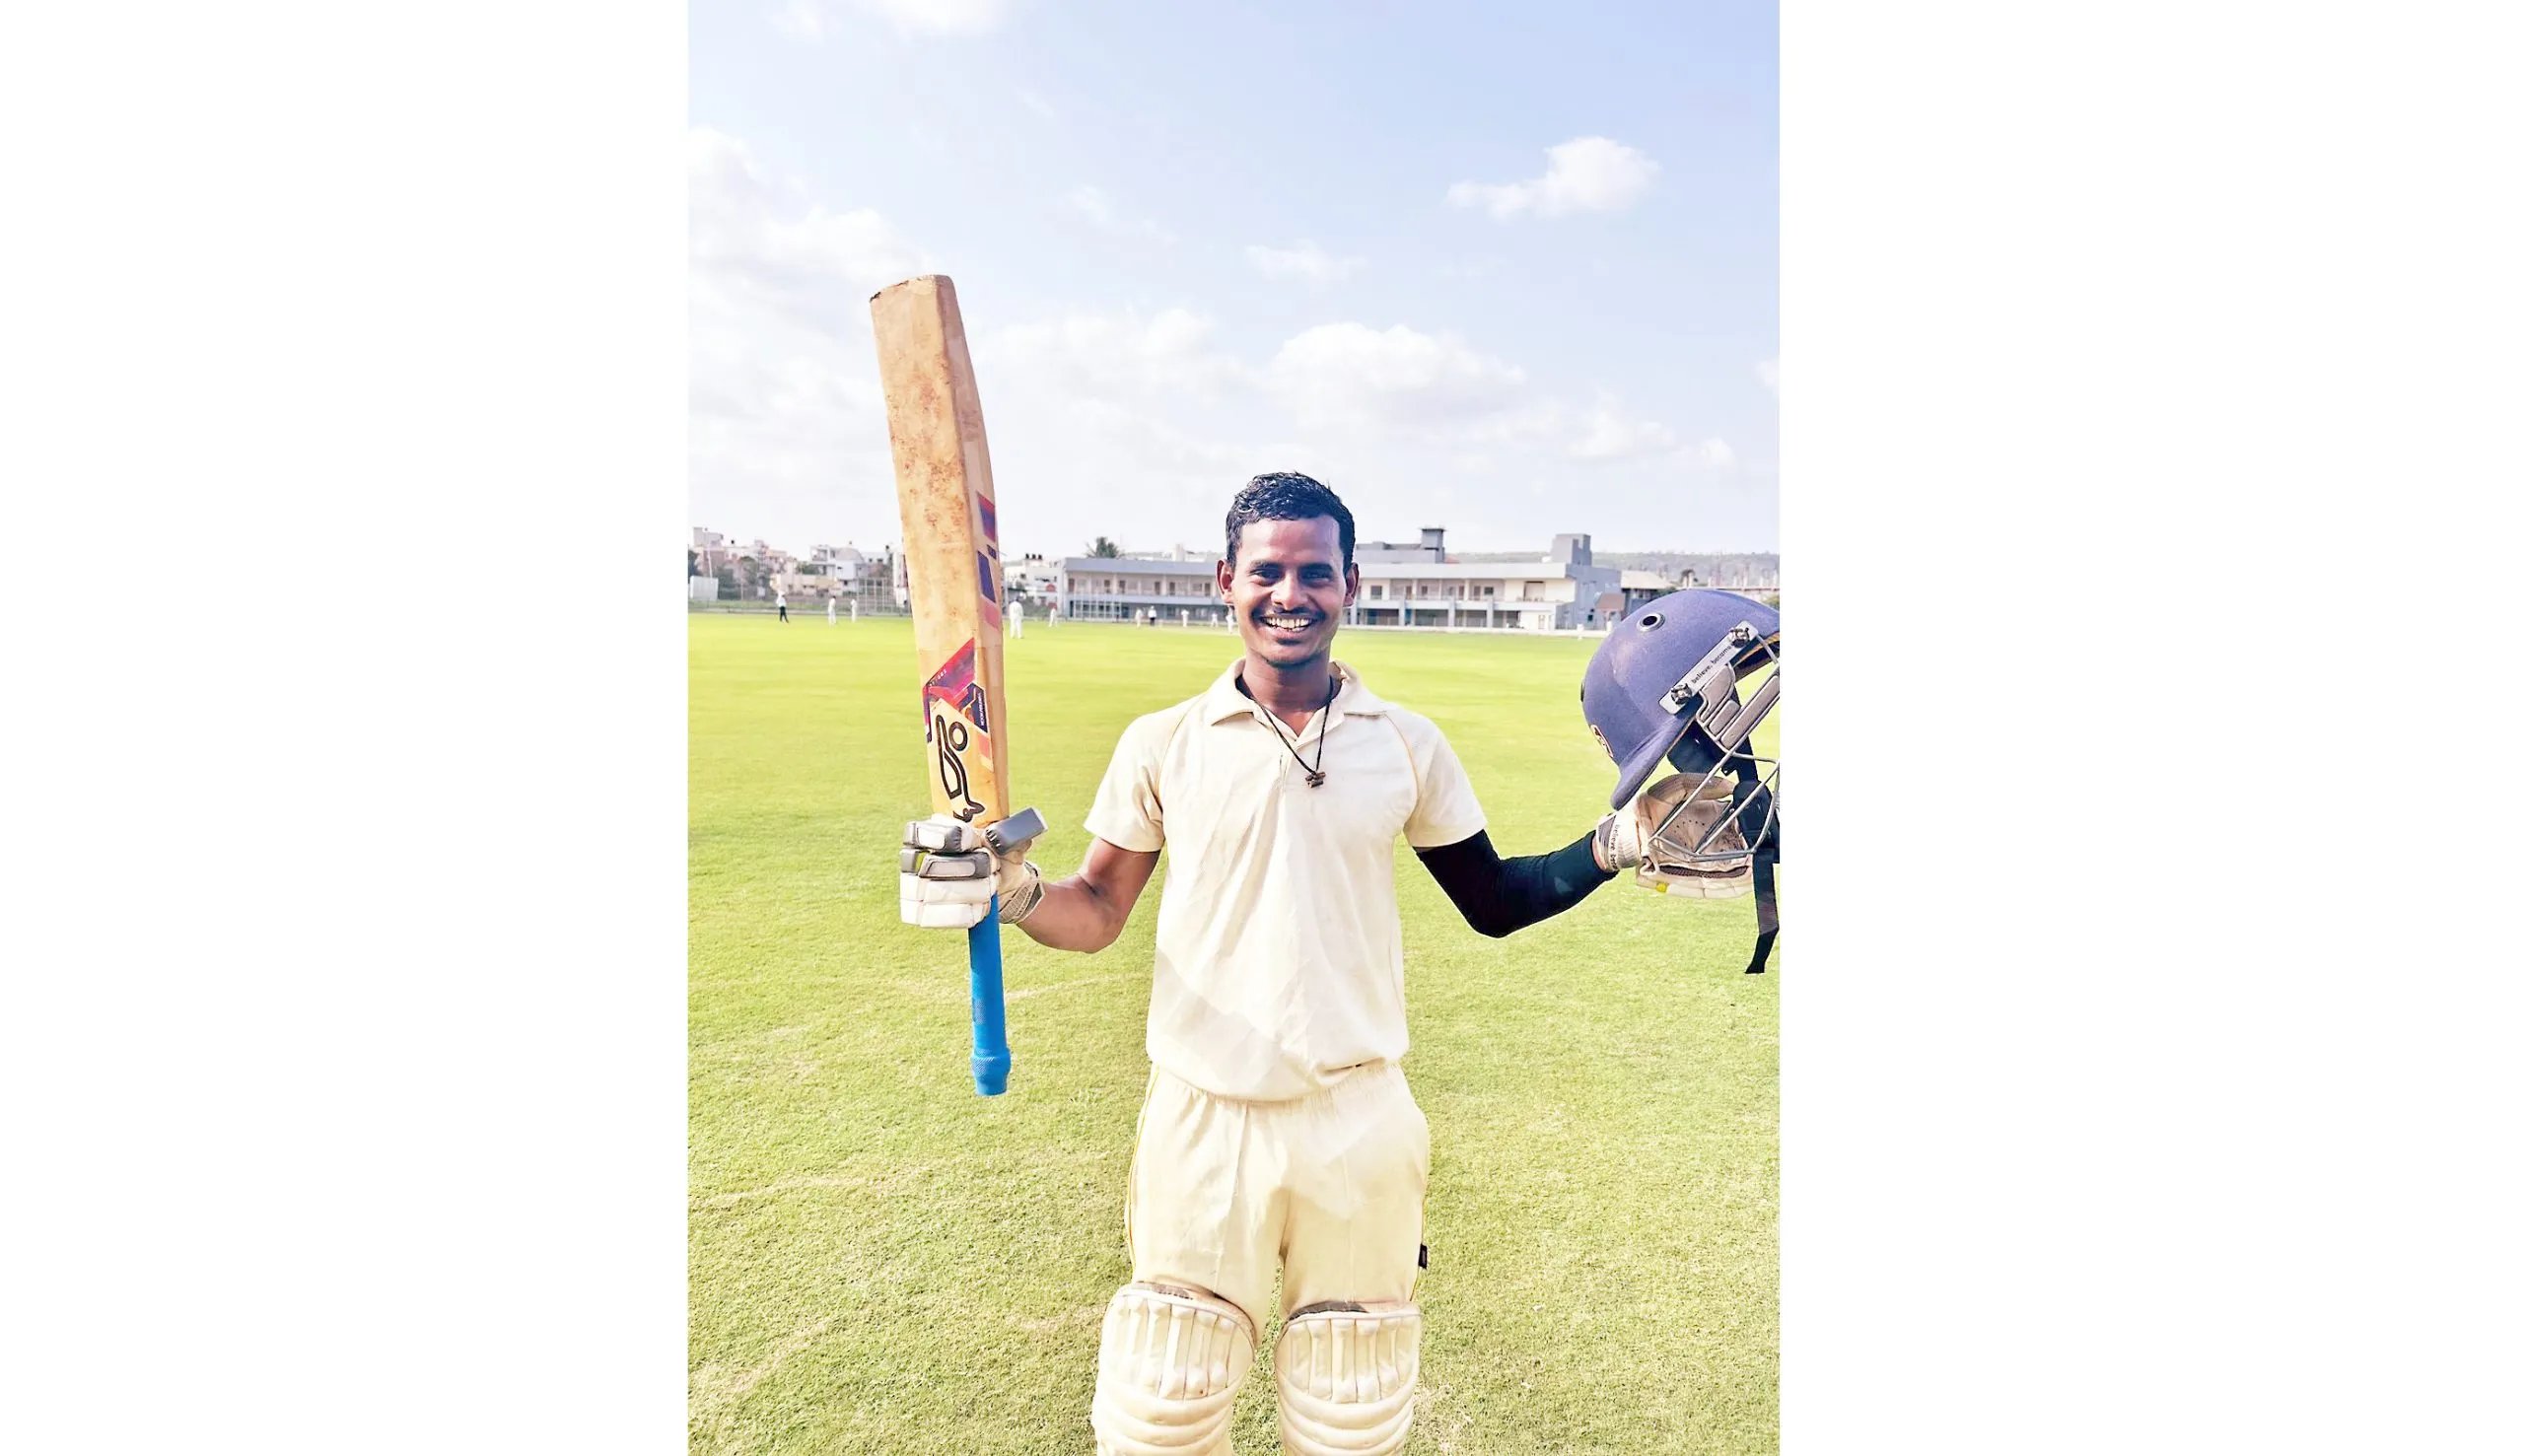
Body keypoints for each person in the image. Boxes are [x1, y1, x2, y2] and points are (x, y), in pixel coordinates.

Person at [897, 472, 1732, 1455]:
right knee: (1161, 1413)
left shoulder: (1407, 745)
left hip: (1358, 1116)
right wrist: (1016, 893)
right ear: (1226, 580)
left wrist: (1614, 844)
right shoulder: (1162, 743)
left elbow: (1495, 900)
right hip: (1203, 1116)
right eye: (1266, 572)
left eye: (1314, 573)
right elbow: (1099, 909)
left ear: (1350, 584)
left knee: (1351, 1418)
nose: (1288, 594)